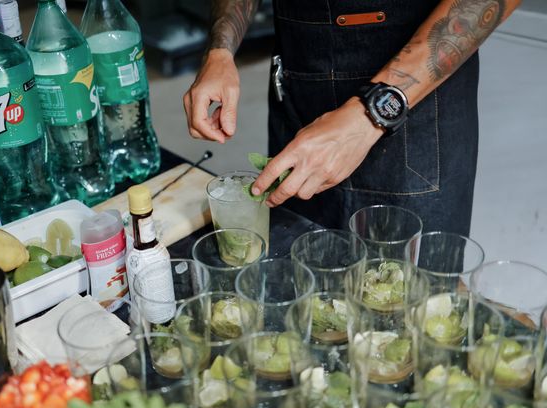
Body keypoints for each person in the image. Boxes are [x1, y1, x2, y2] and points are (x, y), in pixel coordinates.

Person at [183, 0, 521, 235]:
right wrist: (221, 49)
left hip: (416, 112)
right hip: (299, 92)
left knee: (409, 304)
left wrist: (371, 112)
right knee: (304, 287)